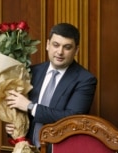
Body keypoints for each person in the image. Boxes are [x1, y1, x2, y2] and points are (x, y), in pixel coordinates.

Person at [5, 23, 97, 152]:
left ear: (76, 50)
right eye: (56, 45)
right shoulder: (32, 72)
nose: (60, 52)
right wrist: (13, 127)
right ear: (48, 44)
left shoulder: (85, 80)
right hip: (27, 148)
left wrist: (30, 106)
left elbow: (72, 119)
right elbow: (22, 113)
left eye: (67, 47)